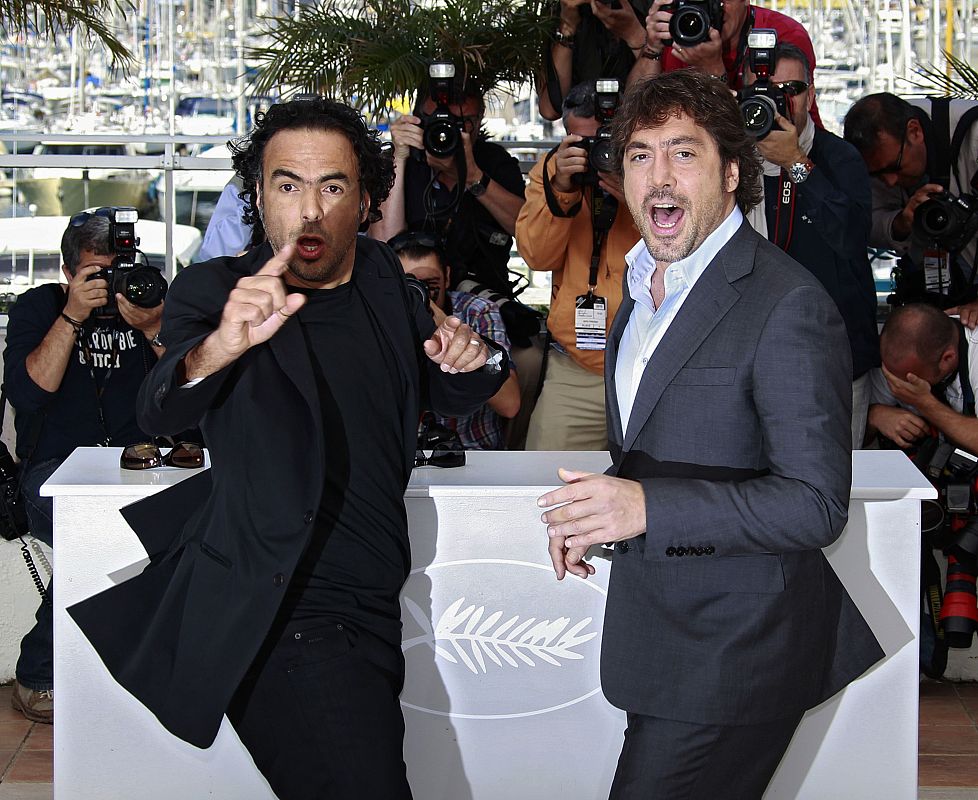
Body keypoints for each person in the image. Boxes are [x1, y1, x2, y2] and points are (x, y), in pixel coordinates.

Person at [67, 97, 507, 800]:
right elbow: (159, 407)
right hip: (282, 605)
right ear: (258, 195)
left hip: (371, 593)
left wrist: (473, 356)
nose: (310, 210)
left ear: (365, 198)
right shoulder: (217, 291)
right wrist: (220, 346)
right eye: (288, 185)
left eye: (332, 186)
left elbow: (451, 387)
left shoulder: (382, 282)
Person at [536, 70, 883, 797]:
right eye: (639, 155)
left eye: (683, 154)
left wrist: (644, 509)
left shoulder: (786, 304)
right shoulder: (637, 288)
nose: (659, 178)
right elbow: (657, 454)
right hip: (661, 643)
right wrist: (606, 519)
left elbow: (815, 504)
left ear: (731, 173)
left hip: (741, 653)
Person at [3, 211, 166, 723]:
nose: (109, 285)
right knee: (100, 534)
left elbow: (187, 395)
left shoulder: (146, 304)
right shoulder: (40, 306)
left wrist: (156, 327)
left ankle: (61, 673)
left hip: (137, 470)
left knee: (141, 531)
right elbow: (28, 394)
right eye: (96, 273)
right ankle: (39, 672)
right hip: (49, 474)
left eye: (117, 270)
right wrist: (72, 316)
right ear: (68, 271)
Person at [746, 43, 878, 448]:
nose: (781, 100)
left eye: (793, 88)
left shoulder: (840, 158)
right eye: (767, 88)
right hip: (753, 356)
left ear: (812, 94)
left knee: (833, 482)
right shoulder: (730, 161)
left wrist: (796, 163)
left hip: (831, 358)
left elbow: (852, 239)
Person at [517, 81, 638, 450]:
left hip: (648, 368)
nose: (596, 153)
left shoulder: (653, 167)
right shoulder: (553, 169)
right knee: (542, 481)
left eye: (607, 141)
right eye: (582, 144)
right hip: (576, 369)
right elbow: (537, 256)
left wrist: (636, 195)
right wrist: (562, 188)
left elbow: (684, 251)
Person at [368, 75, 532, 341]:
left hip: (490, 305)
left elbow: (528, 230)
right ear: (417, 117)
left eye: (464, 121)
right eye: (439, 119)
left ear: (479, 122)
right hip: (412, 301)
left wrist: (471, 177)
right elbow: (384, 242)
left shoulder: (493, 161)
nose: (450, 130)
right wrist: (399, 156)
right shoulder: (402, 162)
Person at [844, 92, 978, 311]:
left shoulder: (973, 134)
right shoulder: (880, 153)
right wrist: (901, 222)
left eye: (894, 168)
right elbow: (865, 221)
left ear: (914, 132)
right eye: (876, 175)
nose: (889, 181)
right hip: (928, 288)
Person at [391, 231, 521, 448]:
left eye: (430, 283)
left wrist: (442, 323)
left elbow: (510, 404)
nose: (419, 292)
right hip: (404, 453)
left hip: (472, 449)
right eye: (409, 285)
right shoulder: (376, 315)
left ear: (448, 277)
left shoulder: (477, 311)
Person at [633, 0, 822, 126]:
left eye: (723, 1)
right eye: (702, 1)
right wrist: (652, 48)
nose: (714, 9)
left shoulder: (781, 34)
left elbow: (769, 128)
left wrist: (713, 71)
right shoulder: (678, 31)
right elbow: (634, 112)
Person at [868, 303, 978, 452]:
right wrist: (874, 415)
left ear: (947, 358)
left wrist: (925, 403)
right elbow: (850, 432)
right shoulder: (897, 364)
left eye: (910, 381)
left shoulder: (974, 352)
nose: (900, 384)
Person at [537, 0, 652, 121]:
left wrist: (634, 34)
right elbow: (550, 110)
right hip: (585, 132)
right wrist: (567, 28)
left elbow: (664, 94)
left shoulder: (653, 8)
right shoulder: (559, 12)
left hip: (636, 127)